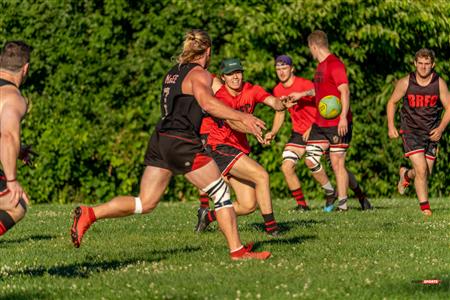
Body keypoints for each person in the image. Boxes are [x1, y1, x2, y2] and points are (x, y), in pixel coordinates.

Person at [70, 29, 271, 260]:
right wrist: (242, 116)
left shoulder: (172, 73)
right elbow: (207, 102)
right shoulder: (199, 74)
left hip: (161, 138)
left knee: (145, 202)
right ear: (208, 51)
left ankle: (90, 213)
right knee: (221, 192)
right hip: (181, 140)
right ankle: (237, 251)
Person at [194, 58, 291, 236]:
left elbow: (275, 104)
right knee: (261, 175)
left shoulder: (252, 89)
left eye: (238, 72)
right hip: (220, 147)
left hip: (236, 149)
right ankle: (272, 230)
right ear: (223, 77)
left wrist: (280, 106)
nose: (235, 77)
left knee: (248, 205)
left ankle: (208, 217)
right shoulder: (221, 96)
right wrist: (253, 131)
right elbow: (232, 123)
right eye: (230, 74)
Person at [269, 54, 371, 211]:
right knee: (286, 165)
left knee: (337, 166)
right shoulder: (277, 89)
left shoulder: (304, 83)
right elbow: (280, 112)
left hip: (318, 129)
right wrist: (273, 131)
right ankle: (306, 203)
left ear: (292, 69)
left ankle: (361, 197)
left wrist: (312, 127)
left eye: (284, 68)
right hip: (299, 133)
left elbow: (324, 99)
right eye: (278, 69)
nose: (281, 72)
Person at [300, 30, 367, 212]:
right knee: (310, 159)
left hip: (338, 124)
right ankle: (331, 191)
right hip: (320, 124)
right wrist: (300, 95)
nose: (310, 52)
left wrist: (343, 117)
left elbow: (344, 90)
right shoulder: (320, 67)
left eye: (310, 48)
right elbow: (320, 91)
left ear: (313, 46)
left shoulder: (335, 64)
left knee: (337, 163)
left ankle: (343, 205)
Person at [387, 48, 450, 216]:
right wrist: (391, 126)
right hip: (411, 131)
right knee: (421, 170)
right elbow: (392, 102)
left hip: (431, 133)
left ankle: (406, 175)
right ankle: (425, 208)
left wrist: (441, 129)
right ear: (415, 64)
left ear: (433, 64)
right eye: (420, 63)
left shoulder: (439, 83)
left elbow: (449, 108)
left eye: (427, 64)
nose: (423, 67)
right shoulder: (406, 82)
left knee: (424, 172)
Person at [0, 41, 32, 236]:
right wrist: (12, 181)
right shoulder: (12, 97)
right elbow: (8, 135)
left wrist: (17, 151)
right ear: (25, 68)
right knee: (16, 203)